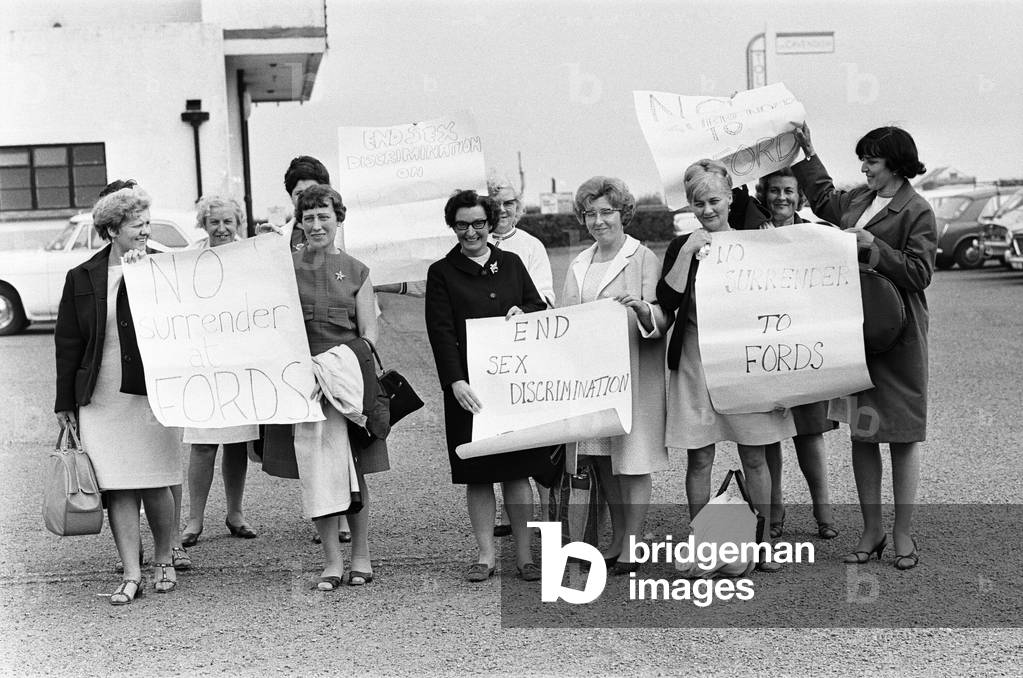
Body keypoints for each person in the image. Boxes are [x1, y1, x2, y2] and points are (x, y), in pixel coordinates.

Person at [791, 123, 936, 570]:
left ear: (894, 162)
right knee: (864, 433)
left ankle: (903, 533)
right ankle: (872, 531)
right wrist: (807, 152)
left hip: (900, 337)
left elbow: (920, 273)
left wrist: (874, 247)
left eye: (871, 160)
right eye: (863, 160)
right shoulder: (856, 200)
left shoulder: (918, 210)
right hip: (857, 335)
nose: (864, 167)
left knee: (903, 436)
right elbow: (822, 199)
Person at [656, 160, 796, 572]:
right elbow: (667, 301)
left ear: (731, 197)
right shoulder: (681, 245)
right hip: (695, 362)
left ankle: (764, 543)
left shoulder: (756, 241)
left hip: (745, 363)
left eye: (714, 200)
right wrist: (687, 252)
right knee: (699, 460)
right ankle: (704, 544)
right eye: (698, 203)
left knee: (755, 457)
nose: (707, 210)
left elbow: (780, 308)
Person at [54, 185, 182, 604]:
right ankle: (131, 571)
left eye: (147, 223)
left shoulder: (165, 268)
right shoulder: (81, 276)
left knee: (154, 480)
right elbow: (68, 342)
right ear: (111, 230)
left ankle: (163, 558)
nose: (145, 231)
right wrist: (64, 403)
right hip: (101, 396)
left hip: (150, 393)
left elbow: (183, 325)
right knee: (119, 486)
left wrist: (143, 275)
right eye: (136, 225)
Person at [425, 189, 555, 582]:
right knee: (478, 474)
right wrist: (454, 382)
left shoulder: (512, 263)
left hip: (511, 387)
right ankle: (485, 555)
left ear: (490, 223)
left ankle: (524, 555)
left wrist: (525, 310)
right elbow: (441, 332)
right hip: (470, 390)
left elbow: (538, 305)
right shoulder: (442, 273)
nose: (471, 232)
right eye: (462, 224)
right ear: (453, 226)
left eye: (478, 223)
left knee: (517, 472)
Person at [263, 184, 385, 589]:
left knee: (354, 470)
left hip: (346, 386)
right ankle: (332, 559)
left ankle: (361, 554)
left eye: (324, 216)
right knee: (316, 471)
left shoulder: (357, 270)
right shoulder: (284, 268)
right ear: (299, 222)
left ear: (339, 218)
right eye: (308, 217)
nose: (316, 225)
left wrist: (336, 368)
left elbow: (369, 334)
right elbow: (273, 327)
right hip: (303, 387)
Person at [562, 176, 669, 574]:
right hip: (593, 379)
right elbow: (565, 319)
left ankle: (633, 545)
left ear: (622, 213)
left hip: (634, 374)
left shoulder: (642, 258)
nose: (598, 220)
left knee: (633, 459)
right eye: (590, 213)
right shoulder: (579, 263)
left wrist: (642, 309)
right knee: (603, 458)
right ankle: (618, 539)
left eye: (606, 212)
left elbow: (661, 318)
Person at [731, 169, 839, 541]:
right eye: (774, 190)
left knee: (810, 431)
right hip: (763, 346)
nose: (782, 197)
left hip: (803, 346)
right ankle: (774, 513)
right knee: (770, 434)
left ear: (800, 196)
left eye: (789, 191)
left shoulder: (814, 232)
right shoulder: (748, 231)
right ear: (765, 194)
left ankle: (823, 512)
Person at [177, 196, 259, 552]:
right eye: (215, 223)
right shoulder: (190, 258)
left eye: (228, 222)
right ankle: (194, 518)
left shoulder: (252, 255)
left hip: (240, 362)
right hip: (203, 362)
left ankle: (235, 513)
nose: (222, 229)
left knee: (237, 442)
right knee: (204, 443)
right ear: (204, 225)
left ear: (238, 223)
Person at [486, 172, 557, 536]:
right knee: (499, 432)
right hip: (490, 355)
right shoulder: (475, 244)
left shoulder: (530, 245)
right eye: (495, 204)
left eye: (509, 203)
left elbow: (545, 295)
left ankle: (547, 513)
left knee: (536, 436)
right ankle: (508, 513)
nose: (503, 210)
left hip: (529, 352)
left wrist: (523, 312)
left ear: (519, 206)